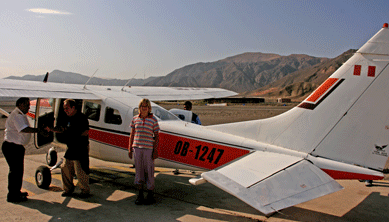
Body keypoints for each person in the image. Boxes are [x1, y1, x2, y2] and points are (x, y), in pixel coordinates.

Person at [2, 97, 45, 202]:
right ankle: (12, 195)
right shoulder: (17, 115)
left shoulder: (20, 114)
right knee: (15, 172)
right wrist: (38, 130)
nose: (28, 108)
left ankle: (16, 192)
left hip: (16, 147)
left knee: (18, 171)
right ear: (20, 104)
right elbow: (24, 129)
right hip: (12, 147)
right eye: (27, 105)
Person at [48, 99, 90, 198]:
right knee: (65, 167)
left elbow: (85, 132)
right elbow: (62, 129)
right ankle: (68, 189)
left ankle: (85, 190)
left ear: (73, 107)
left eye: (67, 108)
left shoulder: (81, 118)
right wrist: (51, 129)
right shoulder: (67, 118)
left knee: (81, 170)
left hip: (80, 147)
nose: (65, 110)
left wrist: (73, 135)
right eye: (64, 108)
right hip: (71, 147)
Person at [128, 98, 160, 205]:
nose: (144, 108)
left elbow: (156, 136)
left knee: (149, 171)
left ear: (149, 108)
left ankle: (150, 194)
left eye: (146, 106)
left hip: (148, 149)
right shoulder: (135, 119)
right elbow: (132, 134)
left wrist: (155, 150)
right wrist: (130, 148)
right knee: (139, 171)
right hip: (137, 148)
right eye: (142, 106)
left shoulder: (153, 120)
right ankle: (140, 194)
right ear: (140, 108)